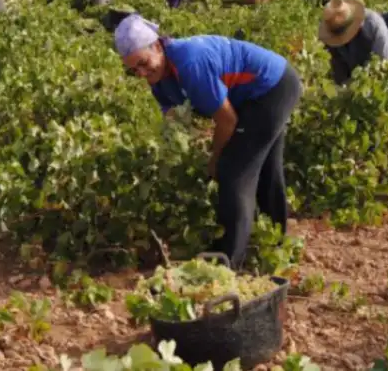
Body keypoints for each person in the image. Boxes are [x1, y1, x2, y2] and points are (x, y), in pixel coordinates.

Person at [113, 14, 302, 269]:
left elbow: (227, 121)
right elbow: (174, 119)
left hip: (272, 88)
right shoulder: (158, 80)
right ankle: (276, 244)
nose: (142, 73)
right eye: (134, 69)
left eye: (144, 63)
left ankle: (229, 261)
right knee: (265, 166)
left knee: (233, 171)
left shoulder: (191, 63)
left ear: (157, 46)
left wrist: (214, 158)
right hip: (251, 96)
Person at [318, 0, 388, 85]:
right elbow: (338, 68)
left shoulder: (373, 25)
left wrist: (364, 84)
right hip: (354, 80)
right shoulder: (332, 27)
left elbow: (385, 64)